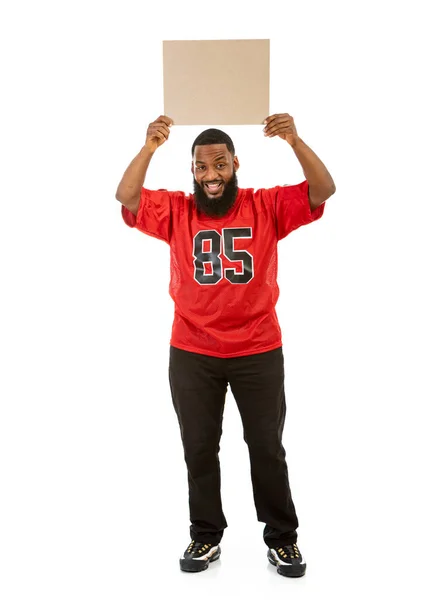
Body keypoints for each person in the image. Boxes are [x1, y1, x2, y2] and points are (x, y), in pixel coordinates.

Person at [115, 113, 336, 577]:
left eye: (219, 165)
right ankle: (205, 536)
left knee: (266, 447)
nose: (211, 176)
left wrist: (294, 140)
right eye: (201, 167)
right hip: (193, 350)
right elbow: (127, 197)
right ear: (192, 172)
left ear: (236, 164)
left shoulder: (265, 205)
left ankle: (283, 539)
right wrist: (150, 147)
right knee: (198, 448)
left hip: (257, 348)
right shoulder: (177, 209)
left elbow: (323, 189)